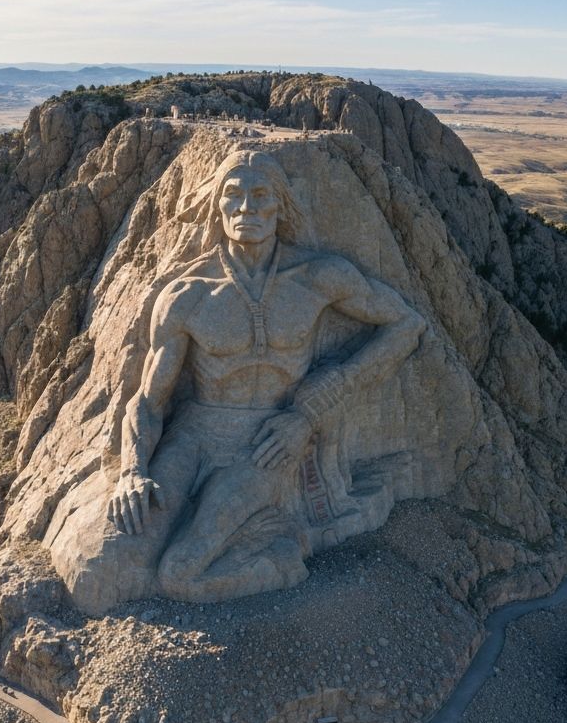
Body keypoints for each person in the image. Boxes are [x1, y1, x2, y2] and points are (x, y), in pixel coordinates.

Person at [91, 149, 426, 604]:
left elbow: (406, 325)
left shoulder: (319, 277)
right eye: (233, 195)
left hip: (267, 444)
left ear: (280, 205)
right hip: (192, 436)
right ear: (217, 207)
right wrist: (132, 470)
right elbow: (149, 400)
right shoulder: (187, 295)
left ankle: (283, 558)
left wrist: (318, 406)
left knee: (180, 573)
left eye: (260, 195)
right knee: (108, 568)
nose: (246, 207)